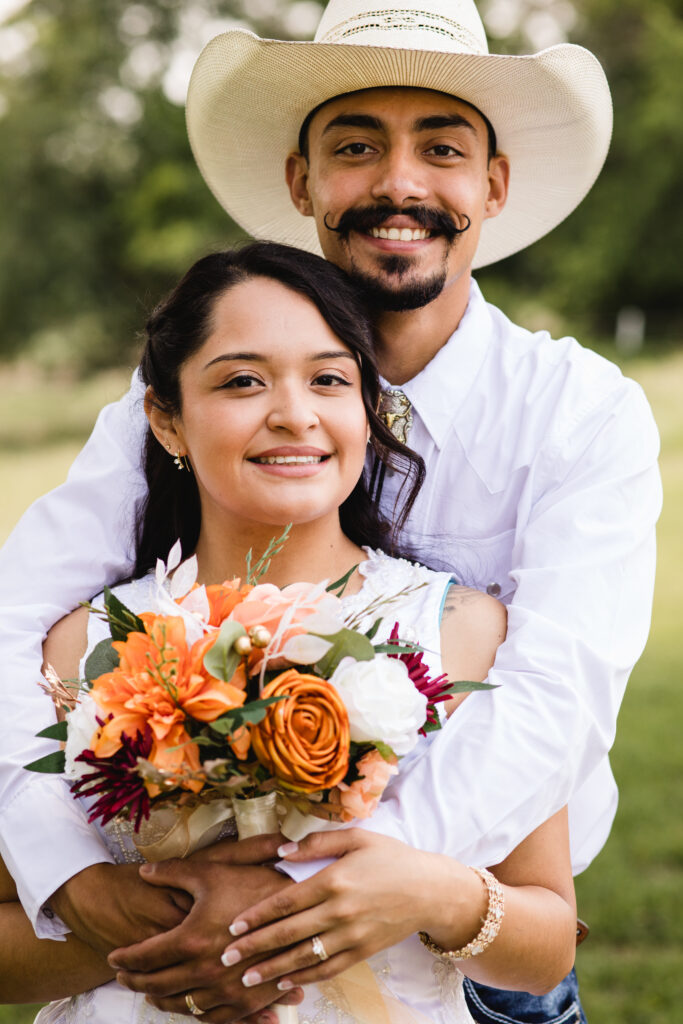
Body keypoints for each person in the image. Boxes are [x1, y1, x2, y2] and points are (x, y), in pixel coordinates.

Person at [0, 1, 661, 1022]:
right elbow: (17, 626)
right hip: (158, 933)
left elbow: (555, 699)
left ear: (490, 182)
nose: (397, 182)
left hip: (465, 931)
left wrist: (317, 892)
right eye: (355, 146)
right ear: (300, 180)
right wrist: (71, 878)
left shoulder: (578, 414)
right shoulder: (167, 408)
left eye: (438, 146)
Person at [1, 242, 577, 1024]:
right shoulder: (78, 646)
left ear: (368, 412)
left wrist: (432, 892)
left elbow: (546, 949)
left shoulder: (467, 635)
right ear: (166, 419)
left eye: (330, 379)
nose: (294, 414)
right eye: (242, 381)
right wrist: (153, 921)